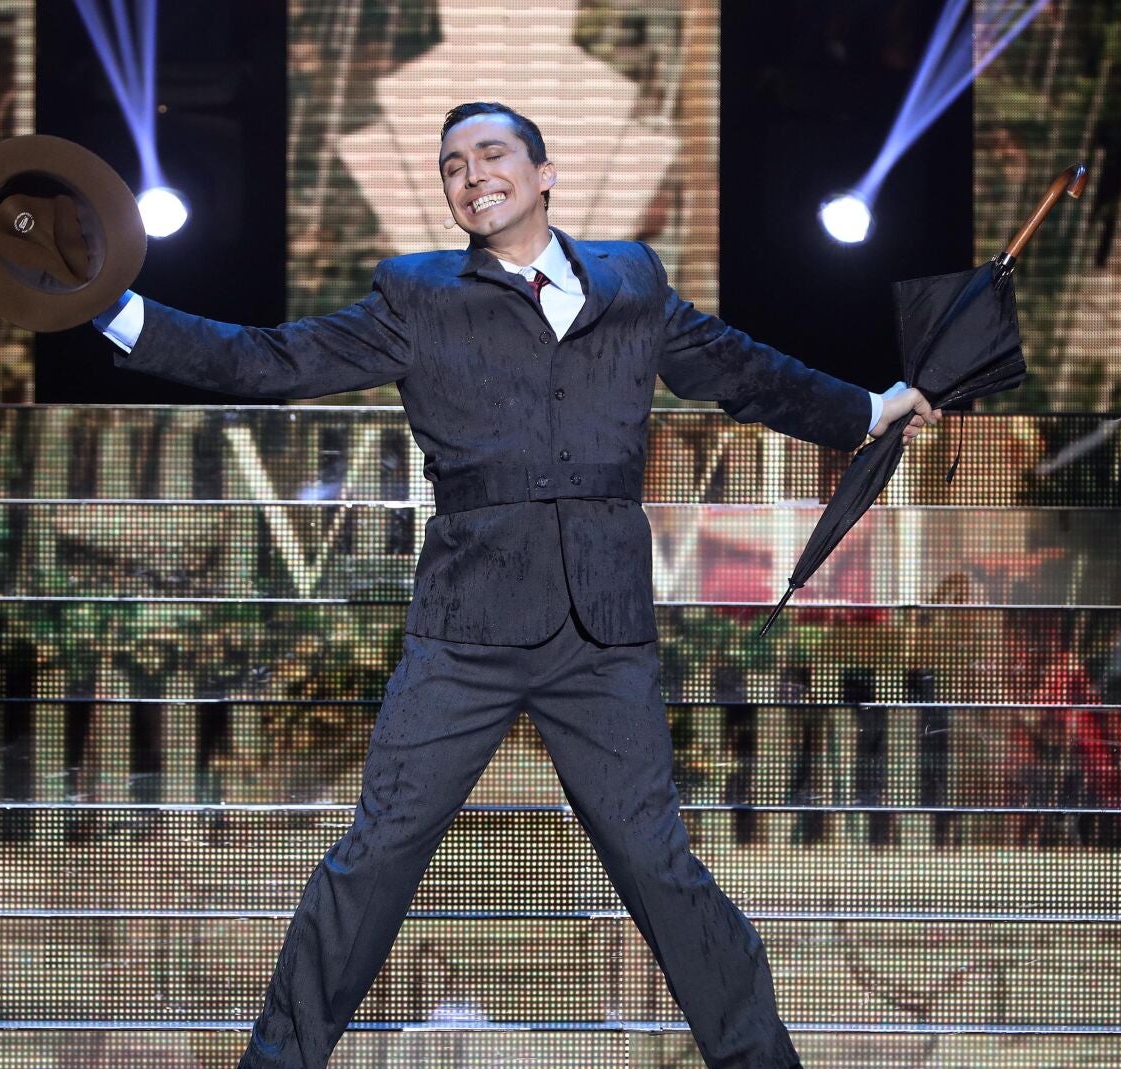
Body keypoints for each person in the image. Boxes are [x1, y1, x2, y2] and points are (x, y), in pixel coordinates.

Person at [91, 102, 940, 1069]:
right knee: (377, 855)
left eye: (490, 153)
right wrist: (119, 310)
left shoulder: (631, 280)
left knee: (659, 865)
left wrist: (866, 409)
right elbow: (266, 362)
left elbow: (741, 371)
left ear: (543, 171)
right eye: (451, 164)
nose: (470, 174)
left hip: (601, 629)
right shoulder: (416, 296)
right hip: (467, 628)